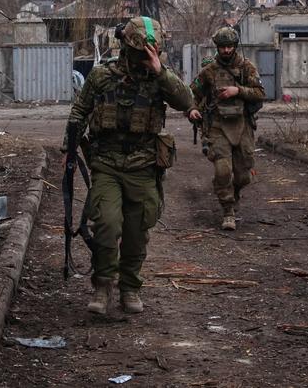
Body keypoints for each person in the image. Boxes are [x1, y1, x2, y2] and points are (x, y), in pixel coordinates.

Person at [62, 16, 193, 314]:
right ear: (125, 48)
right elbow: (79, 111)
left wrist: (160, 73)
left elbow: (187, 100)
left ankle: (130, 288)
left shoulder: (159, 77)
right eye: (139, 52)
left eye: (151, 52)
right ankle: (103, 286)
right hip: (106, 163)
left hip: (144, 165)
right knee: (107, 225)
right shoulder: (102, 76)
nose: (144, 58)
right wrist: (68, 150)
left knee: (137, 231)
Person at [188, 27, 265, 231]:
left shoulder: (247, 67)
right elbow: (192, 94)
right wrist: (193, 110)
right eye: (223, 47)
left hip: (243, 125)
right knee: (223, 171)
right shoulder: (209, 71)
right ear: (218, 48)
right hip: (218, 126)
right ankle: (228, 210)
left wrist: (237, 90)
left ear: (235, 46)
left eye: (230, 46)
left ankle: (236, 191)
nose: (226, 50)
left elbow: (260, 93)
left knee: (243, 175)